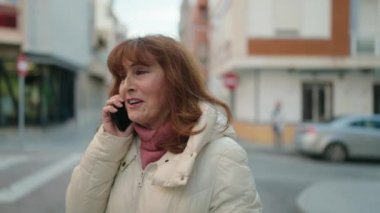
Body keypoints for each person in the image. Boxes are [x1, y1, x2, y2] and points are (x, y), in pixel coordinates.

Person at [66, 35, 262, 213]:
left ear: (174, 80)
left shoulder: (223, 156)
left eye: (140, 72)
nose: (127, 85)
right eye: (122, 76)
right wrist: (109, 142)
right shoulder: (118, 145)